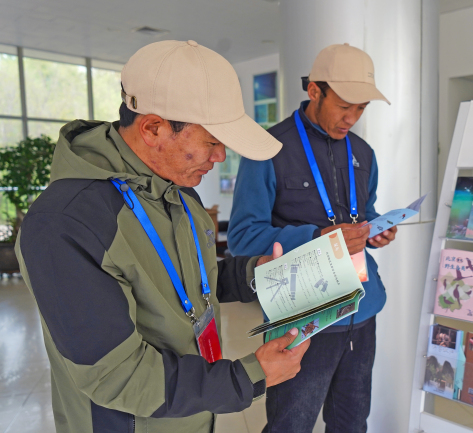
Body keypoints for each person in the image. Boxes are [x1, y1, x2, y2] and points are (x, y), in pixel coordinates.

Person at [15, 40, 310, 433]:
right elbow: (116, 375)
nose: (220, 157)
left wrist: (255, 273)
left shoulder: (177, 187)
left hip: (189, 414)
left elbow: (185, 281)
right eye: (212, 141)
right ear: (154, 128)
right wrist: (251, 375)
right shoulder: (65, 223)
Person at [228, 43, 396, 432]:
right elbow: (241, 237)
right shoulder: (266, 150)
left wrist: (375, 230)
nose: (351, 118)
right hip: (301, 316)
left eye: (361, 109)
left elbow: (363, 213)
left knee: (352, 422)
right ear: (314, 91)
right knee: (292, 424)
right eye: (344, 106)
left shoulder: (363, 153)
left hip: (362, 308)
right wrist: (318, 237)